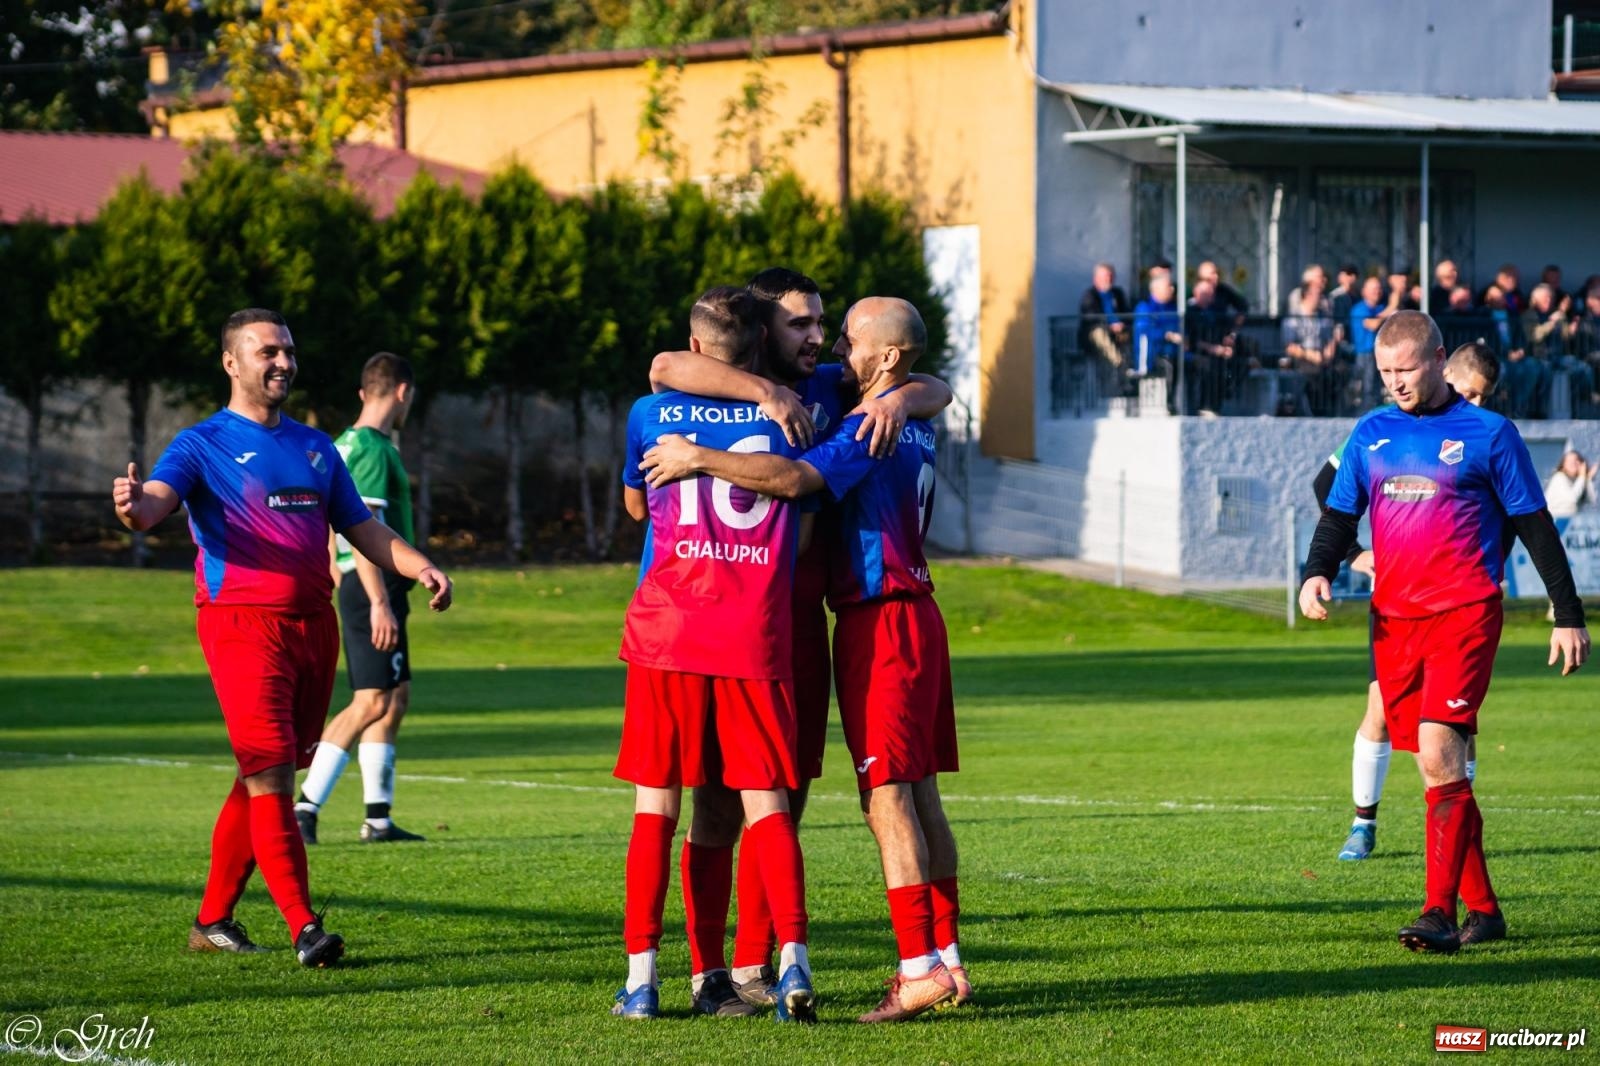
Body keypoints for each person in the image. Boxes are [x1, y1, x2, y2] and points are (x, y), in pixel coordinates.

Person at [642, 297, 967, 1022]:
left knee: (884, 798)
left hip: (876, 619)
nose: (832, 350)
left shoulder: (865, 424)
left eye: (845, 338)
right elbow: (665, 365)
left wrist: (696, 457)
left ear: (882, 357)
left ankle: (917, 968)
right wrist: (912, 387)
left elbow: (793, 481)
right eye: (813, 329)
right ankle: (944, 958)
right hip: (914, 614)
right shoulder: (904, 416)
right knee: (915, 795)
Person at [111, 309, 453, 967]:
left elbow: (363, 529)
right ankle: (305, 926)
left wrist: (420, 564)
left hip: (313, 628)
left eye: (288, 351)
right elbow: (155, 503)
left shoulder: (316, 448)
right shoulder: (200, 443)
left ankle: (213, 919)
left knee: (262, 775)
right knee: (267, 768)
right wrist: (134, 507)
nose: (282, 362)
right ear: (231, 362)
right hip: (240, 626)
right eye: (267, 351)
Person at [1300, 311, 1588, 953]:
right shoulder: (1371, 432)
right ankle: (1485, 912)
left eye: (1405, 369)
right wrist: (1318, 571)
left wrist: (1566, 613)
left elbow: (1537, 526)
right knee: (1441, 769)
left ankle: (1438, 910)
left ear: (1436, 359)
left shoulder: (1490, 433)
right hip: (1393, 621)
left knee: (1438, 750)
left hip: (1464, 614)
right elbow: (1340, 512)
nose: (1395, 382)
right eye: (1384, 372)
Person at [614, 286, 817, 1022]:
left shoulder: (651, 413)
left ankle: (643, 980)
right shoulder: (792, 418)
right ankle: (792, 967)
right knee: (768, 804)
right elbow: (801, 525)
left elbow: (637, 505)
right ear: (762, 344)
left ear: (700, 348)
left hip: (668, 631)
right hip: (754, 631)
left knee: (656, 806)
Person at [1315, 342, 1500, 862]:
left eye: (1483, 397)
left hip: (1462, 605)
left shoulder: (1481, 434)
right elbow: (1326, 486)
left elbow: (1508, 515)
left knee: (1461, 721)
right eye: (1469, 392)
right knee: (1379, 708)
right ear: (1445, 372)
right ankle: (1362, 823)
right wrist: (1353, 554)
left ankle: (1453, 820)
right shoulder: (1383, 428)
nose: (1475, 403)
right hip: (1400, 604)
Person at [294, 353, 425, 845]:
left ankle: (378, 818)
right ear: (402, 393)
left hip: (360, 584)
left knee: (394, 699)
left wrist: (336, 571)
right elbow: (362, 525)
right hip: (373, 586)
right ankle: (304, 807)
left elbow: (330, 526)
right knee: (370, 701)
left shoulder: (340, 445)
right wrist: (376, 600)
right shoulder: (372, 447)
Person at [1077, 262, 1131, 394]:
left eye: (1111, 276)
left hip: (1118, 333)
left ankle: (1132, 372)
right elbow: (1090, 316)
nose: (1109, 279)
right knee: (1098, 333)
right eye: (1105, 276)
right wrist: (1109, 326)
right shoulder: (1089, 295)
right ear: (1096, 279)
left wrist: (1122, 324)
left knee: (1132, 333)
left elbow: (1127, 313)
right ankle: (1119, 363)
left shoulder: (1117, 293)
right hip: (1095, 337)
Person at [1544, 449, 1596, 519]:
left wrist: (1587, 479)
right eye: (1569, 461)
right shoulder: (1559, 477)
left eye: (1575, 461)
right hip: (1555, 521)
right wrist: (1582, 477)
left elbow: (1591, 500)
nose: (1572, 463)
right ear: (1563, 465)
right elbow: (1572, 499)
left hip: (1567, 521)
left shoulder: (1576, 481)